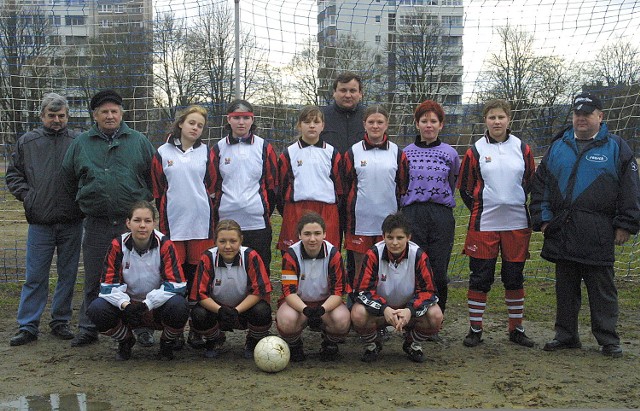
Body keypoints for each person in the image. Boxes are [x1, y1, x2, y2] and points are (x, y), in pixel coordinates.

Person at [530, 92, 640, 358]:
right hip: (562, 230)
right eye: (577, 114)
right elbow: (541, 186)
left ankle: (608, 339)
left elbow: (631, 190)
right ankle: (566, 335)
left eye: (588, 114)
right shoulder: (558, 146)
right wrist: (543, 220)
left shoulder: (616, 148)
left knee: (602, 290)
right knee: (565, 289)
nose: (581, 118)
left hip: (599, 232)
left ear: (600, 117)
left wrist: (626, 223)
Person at [62, 89, 155, 347]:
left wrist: (140, 206)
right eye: (104, 112)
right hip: (97, 223)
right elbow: (69, 178)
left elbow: (153, 177)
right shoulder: (81, 144)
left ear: (122, 113)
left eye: (114, 111)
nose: (110, 116)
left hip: (132, 226)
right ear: (95, 115)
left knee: (138, 279)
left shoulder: (138, 141)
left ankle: (142, 327)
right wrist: (87, 198)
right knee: (94, 278)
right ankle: (88, 327)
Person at [6, 93, 84, 346]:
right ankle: (28, 325)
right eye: (51, 116)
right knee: (35, 275)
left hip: (72, 220)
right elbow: (14, 175)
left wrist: (81, 199)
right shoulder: (27, 142)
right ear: (42, 116)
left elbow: (88, 175)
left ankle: (60, 320)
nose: (57, 120)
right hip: (40, 221)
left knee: (68, 274)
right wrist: (29, 197)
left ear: (68, 117)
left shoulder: (78, 141)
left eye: (61, 116)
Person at [457, 99, 535, 348]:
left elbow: (530, 181)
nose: (497, 121)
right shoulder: (476, 150)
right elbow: (466, 189)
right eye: (492, 117)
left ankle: (516, 329)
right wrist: (484, 207)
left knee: (514, 277)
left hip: (517, 223)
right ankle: (475, 329)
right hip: (484, 223)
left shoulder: (522, 148)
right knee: (480, 277)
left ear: (509, 119)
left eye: (501, 117)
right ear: (485, 120)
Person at [86, 201, 189, 361]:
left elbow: (177, 285)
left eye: (147, 221)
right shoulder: (117, 245)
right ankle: (125, 340)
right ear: (128, 223)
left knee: (179, 306)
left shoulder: (165, 244)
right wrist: (125, 305)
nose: (142, 225)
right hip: (128, 305)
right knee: (96, 309)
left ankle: (166, 343)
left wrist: (147, 304)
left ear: (155, 223)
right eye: (137, 220)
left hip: (156, 306)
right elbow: (107, 286)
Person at [151, 105, 215, 348]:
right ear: (181, 124)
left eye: (200, 125)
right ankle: (174, 329)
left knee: (198, 279)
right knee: (175, 279)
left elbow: (211, 184)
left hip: (200, 224)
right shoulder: (162, 152)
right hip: (174, 225)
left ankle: (197, 330)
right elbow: (158, 188)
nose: (195, 128)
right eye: (192, 123)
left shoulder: (207, 152)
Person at [351, 212, 442, 363]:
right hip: (381, 311)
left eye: (400, 238)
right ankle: (374, 343)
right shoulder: (373, 254)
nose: (394, 243)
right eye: (390, 237)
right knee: (358, 314)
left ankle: (412, 343)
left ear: (409, 237)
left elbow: (429, 292)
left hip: (408, 310)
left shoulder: (418, 255)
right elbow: (363, 291)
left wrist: (410, 310)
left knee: (435, 316)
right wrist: (384, 308)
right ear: (383, 236)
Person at [401, 100, 460, 315]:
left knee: (438, 268)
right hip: (412, 214)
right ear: (417, 124)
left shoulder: (450, 153)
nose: (429, 125)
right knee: (414, 266)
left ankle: (436, 315)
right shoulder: (405, 153)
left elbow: (453, 182)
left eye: (433, 121)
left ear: (441, 125)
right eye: (424, 121)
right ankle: (413, 314)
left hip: (440, 214)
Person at [342, 105, 408, 284]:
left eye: (380, 122)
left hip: (388, 220)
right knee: (359, 268)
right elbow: (345, 185)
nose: (375, 126)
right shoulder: (353, 152)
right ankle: (357, 304)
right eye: (371, 122)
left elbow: (403, 185)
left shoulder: (397, 153)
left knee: (386, 268)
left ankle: (386, 305)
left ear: (387, 125)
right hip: (360, 220)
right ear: (364, 124)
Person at [211, 100, 278, 277]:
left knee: (259, 269)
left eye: (246, 118)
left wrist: (259, 209)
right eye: (237, 117)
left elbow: (272, 186)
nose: (241, 122)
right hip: (226, 220)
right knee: (227, 270)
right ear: (228, 120)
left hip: (257, 221)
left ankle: (260, 302)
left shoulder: (264, 147)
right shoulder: (218, 148)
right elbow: (213, 185)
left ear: (252, 120)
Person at [189, 220, 273, 359]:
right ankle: (215, 338)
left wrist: (236, 311)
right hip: (216, 310)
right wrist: (220, 310)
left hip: (243, 309)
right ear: (215, 241)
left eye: (233, 241)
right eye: (222, 241)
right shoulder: (208, 258)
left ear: (241, 240)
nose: (228, 246)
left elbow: (259, 291)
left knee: (262, 310)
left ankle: (253, 340)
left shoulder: (251, 256)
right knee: (198, 313)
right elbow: (200, 294)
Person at [276, 212, 350, 362]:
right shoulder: (291, 255)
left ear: (324, 234)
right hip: (298, 303)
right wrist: (306, 310)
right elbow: (288, 292)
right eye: (307, 234)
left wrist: (322, 309)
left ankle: (329, 343)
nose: (312, 239)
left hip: (326, 303)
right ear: (299, 235)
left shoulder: (334, 254)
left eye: (317, 233)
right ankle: (295, 344)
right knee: (286, 320)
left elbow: (338, 292)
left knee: (342, 320)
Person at [321, 71, 366, 284]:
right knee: (329, 246)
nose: (348, 95)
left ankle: (357, 294)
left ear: (361, 94)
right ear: (334, 92)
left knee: (358, 247)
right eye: (343, 90)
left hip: (361, 196)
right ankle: (330, 290)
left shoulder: (369, 119)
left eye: (352, 90)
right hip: (330, 195)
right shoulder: (322, 118)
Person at [278, 106, 342, 252]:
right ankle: (291, 276)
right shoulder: (289, 153)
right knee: (291, 254)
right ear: (299, 125)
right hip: (296, 210)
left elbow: (339, 187)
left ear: (323, 126)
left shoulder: (332, 153)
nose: (312, 125)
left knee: (328, 254)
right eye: (307, 122)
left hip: (326, 210)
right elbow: (280, 189)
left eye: (316, 122)